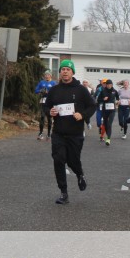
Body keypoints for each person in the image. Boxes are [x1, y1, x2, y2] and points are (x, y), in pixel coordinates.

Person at [45, 59, 95, 204]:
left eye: (68, 69)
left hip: (75, 134)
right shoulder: (54, 90)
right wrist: (50, 112)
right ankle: (63, 192)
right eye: (63, 69)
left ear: (72, 72)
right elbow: (46, 106)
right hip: (59, 133)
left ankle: (80, 174)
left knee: (73, 161)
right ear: (60, 72)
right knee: (58, 160)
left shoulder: (81, 90)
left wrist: (83, 115)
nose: (65, 72)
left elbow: (92, 106)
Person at [34, 71, 56, 141]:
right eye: (45, 75)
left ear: (50, 76)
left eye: (48, 75)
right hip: (43, 102)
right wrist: (41, 91)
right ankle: (40, 133)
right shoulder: (41, 82)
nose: (46, 76)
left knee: (49, 118)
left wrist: (49, 92)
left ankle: (49, 134)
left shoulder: (53, 83)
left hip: (50, 102)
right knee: (42, 117)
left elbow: (56, 92)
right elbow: (36, 90)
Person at [98, 79, 120, 145]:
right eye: (107, 85)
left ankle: (108, 139)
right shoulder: (103, 91)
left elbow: (118, 98)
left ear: (112, 85)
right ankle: (107, 135)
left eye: (110, 84)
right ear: (106, 85)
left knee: (109, 124)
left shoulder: (114, 91)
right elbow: (99, 100)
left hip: (112, 110)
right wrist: (103, 99)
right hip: (105, 109)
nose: (109, 86)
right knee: (105, 124)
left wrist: (117, 101)